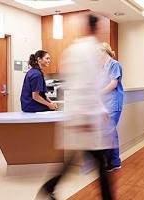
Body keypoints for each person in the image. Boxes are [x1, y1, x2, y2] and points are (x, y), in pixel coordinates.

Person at [36, 15, 115, 200]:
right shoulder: (86, 51)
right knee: (97, 161)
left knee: (75, 160)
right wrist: (86, 118)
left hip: (81, 115)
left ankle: (49, 188)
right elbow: (83, 85)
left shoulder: (76, 50)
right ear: (94, 28)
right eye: (101, 28)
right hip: (83, 118)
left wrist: (100, 110)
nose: (103, 32)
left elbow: (91, 86)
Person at [100, 42, 124, 172]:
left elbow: (113, 84)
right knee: (110, 131)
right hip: (106, 103)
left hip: (114, 102)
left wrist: (99, 93)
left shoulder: (115, 64)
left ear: (104, 51)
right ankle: (113, 161)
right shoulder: (103, 67)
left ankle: (113, 162)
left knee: (109, 131)